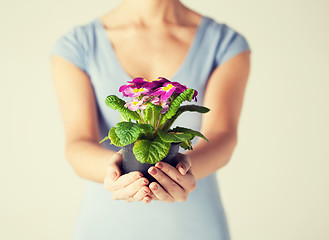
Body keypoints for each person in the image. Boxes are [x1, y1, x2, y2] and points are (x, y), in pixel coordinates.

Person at [50, 0, 251, 239]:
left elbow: (222, 137)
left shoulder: (225, 43)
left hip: (195, 228)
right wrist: (114, 171)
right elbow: (78, 143)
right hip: (106, 228)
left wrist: (184, 170)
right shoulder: (77, 45)